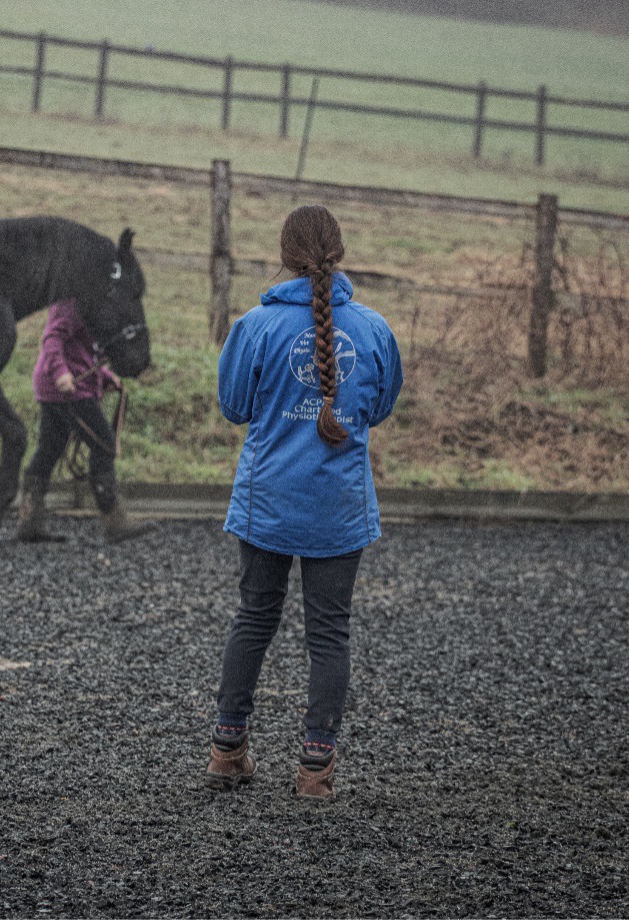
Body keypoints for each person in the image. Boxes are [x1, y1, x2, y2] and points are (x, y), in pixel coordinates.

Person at [204, 205, 402, 801]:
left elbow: (235, 406)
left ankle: (226, 751)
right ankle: (316, 770)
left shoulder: (256, 326)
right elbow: (381, 407)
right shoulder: (374, 329)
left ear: (285, 254)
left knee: (254, 618)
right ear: (338, 252)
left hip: (268, 501)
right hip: (337, 506)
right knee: (329, 633)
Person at [17, 298, 153, 544]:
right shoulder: (72, 302)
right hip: (68, 389)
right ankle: (114, 520)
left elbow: (85, 352)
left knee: (49, 449)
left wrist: (106, 376)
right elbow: (51, 339)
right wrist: (61, 374)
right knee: (104, 443)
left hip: (58, 386)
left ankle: (29, 520)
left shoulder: (91, 303)